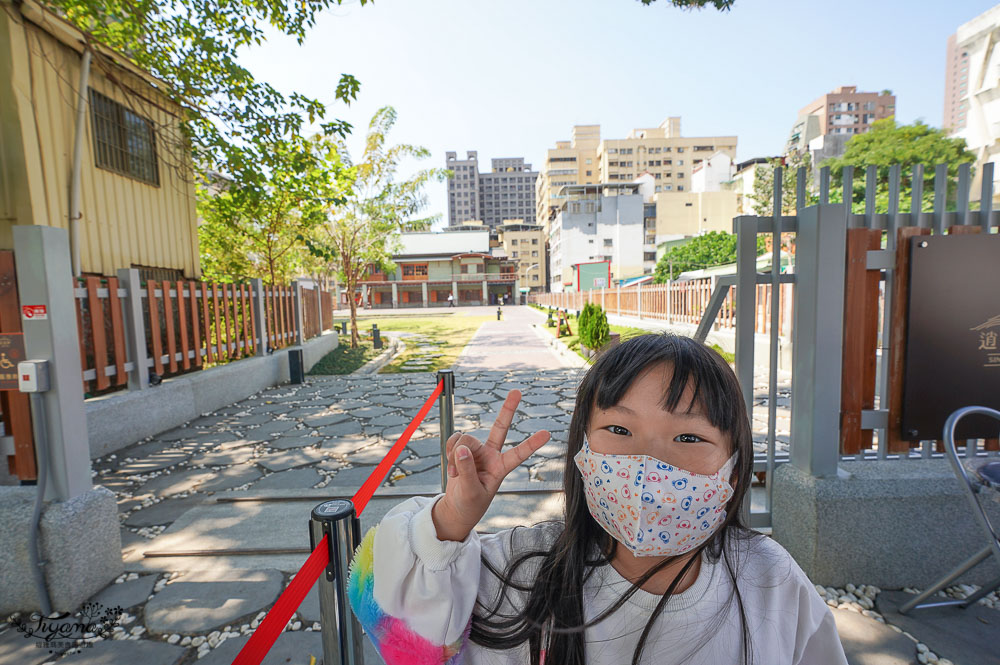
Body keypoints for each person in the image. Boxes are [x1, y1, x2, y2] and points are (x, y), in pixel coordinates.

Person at [347, 334, 848, 665]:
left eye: (689, 438)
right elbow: (394, 627)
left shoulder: (770, 580)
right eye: (618, 429)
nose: (651, 463)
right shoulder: (518, 573)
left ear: (735, 468)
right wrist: (451, 521)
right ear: (583, 450)